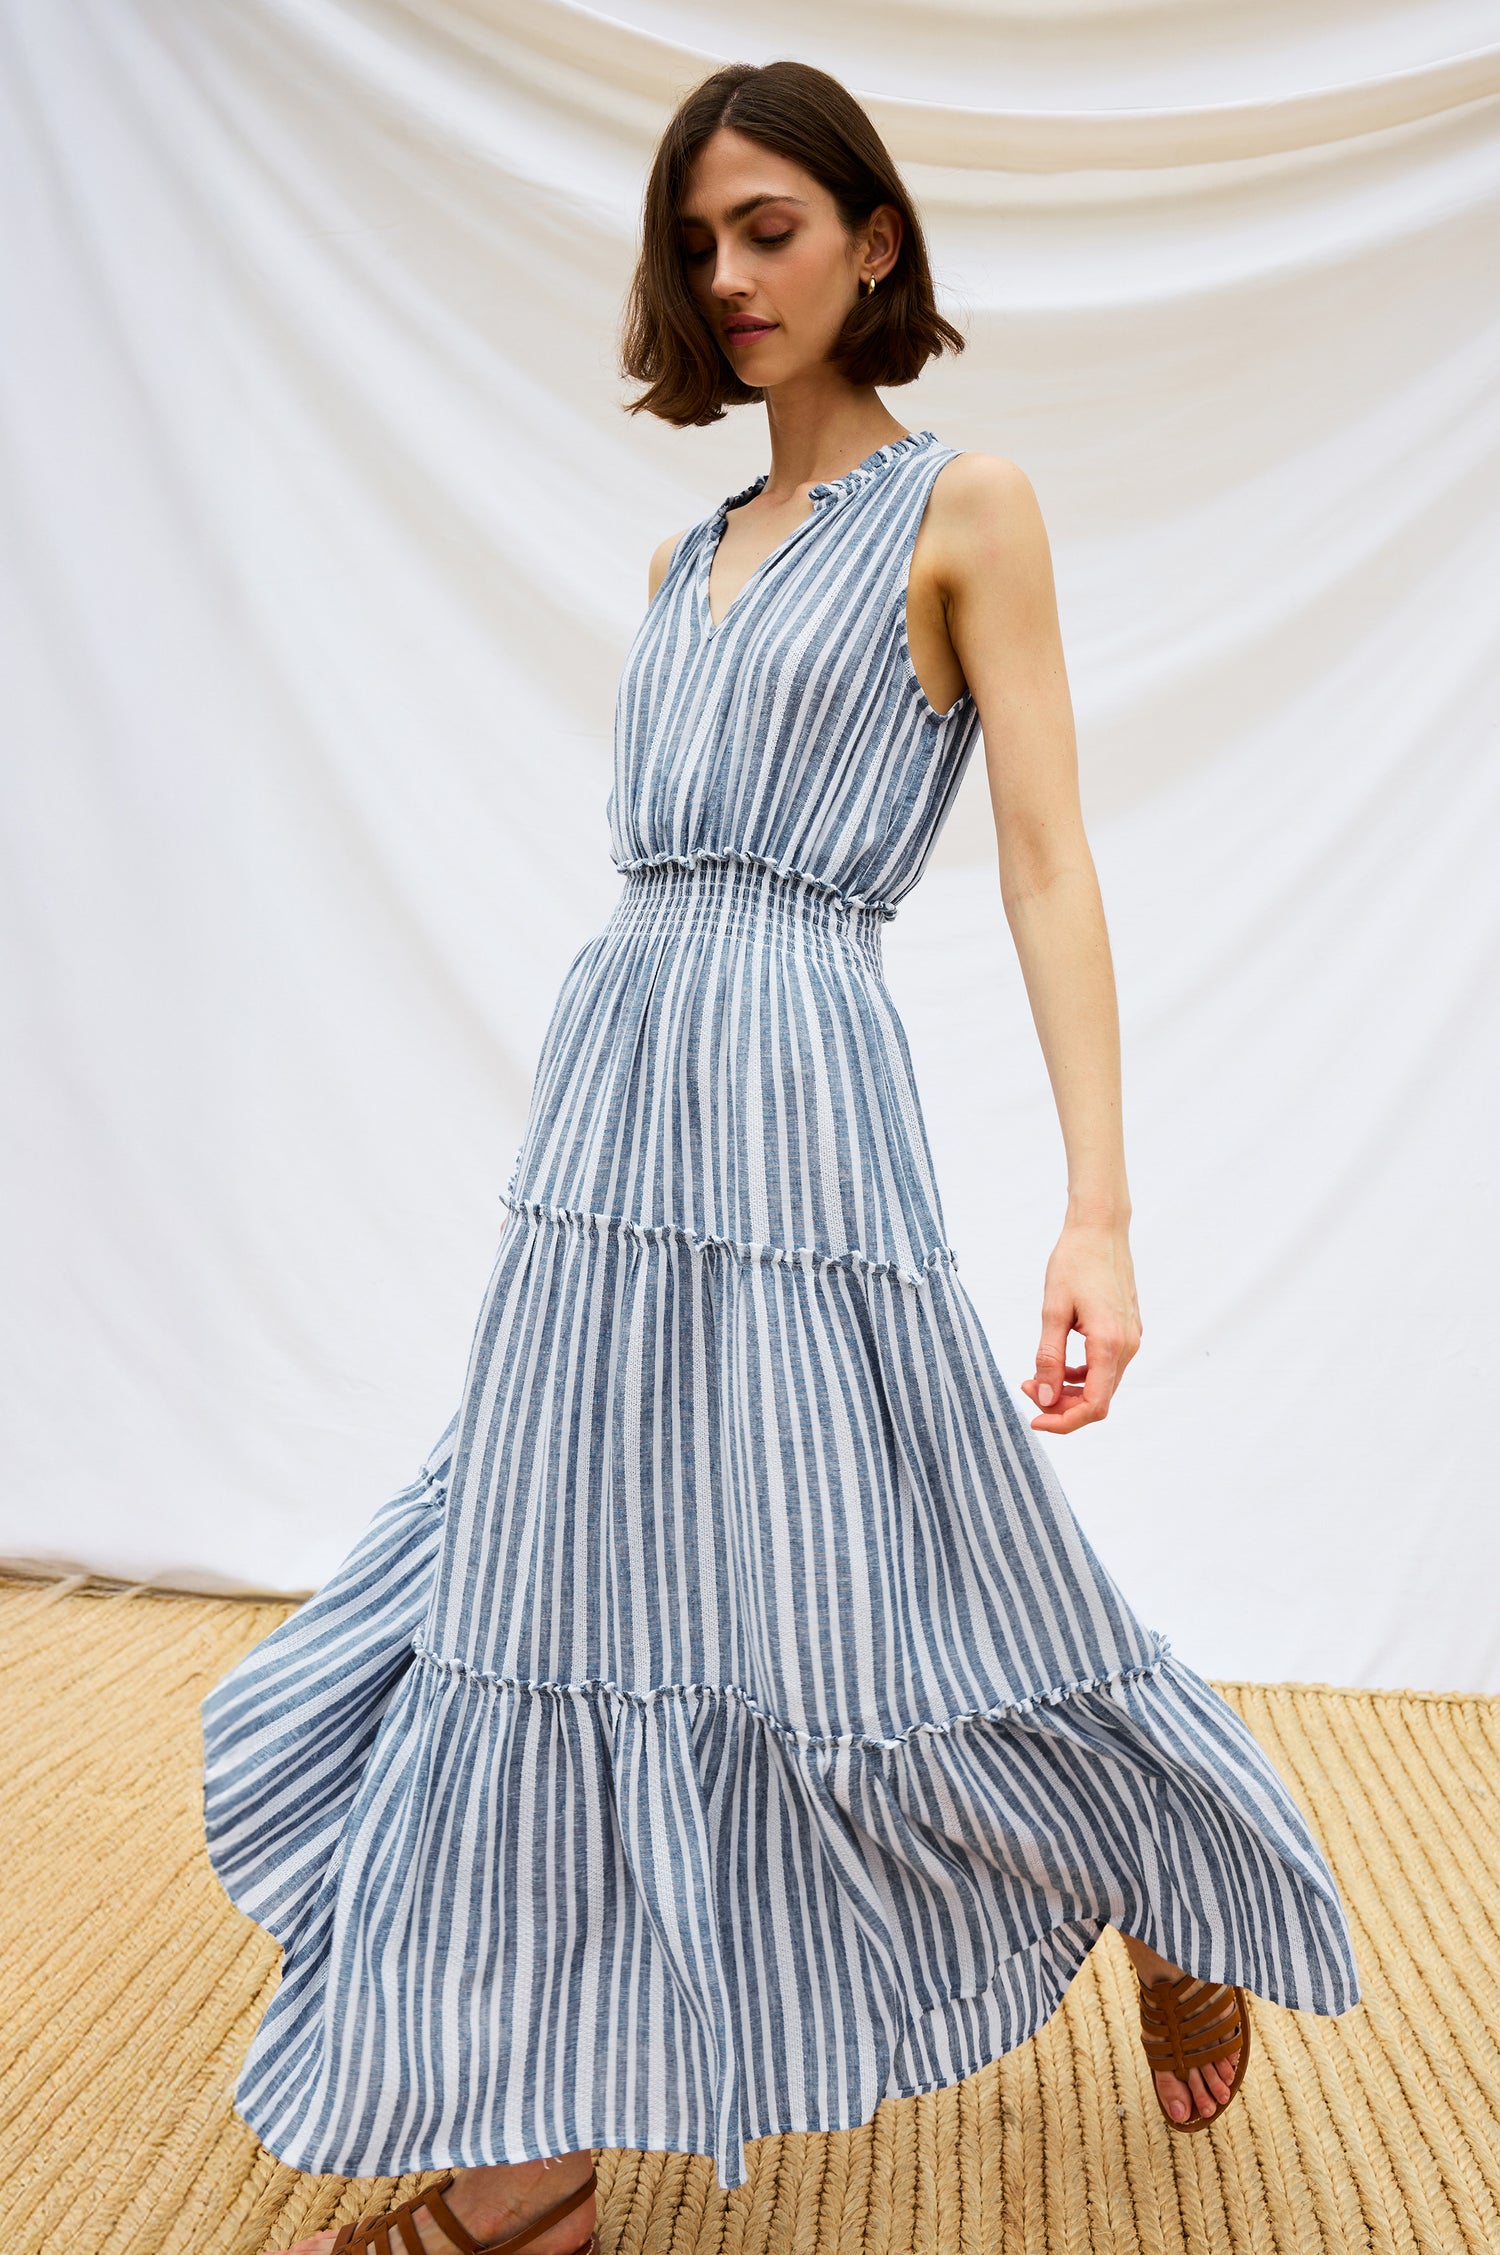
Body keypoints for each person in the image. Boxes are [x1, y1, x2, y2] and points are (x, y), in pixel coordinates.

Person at [204, 58, 1359, 2255]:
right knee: (549, 1584)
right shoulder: (675, 555)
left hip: (803, 1102)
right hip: (617, 1105)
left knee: (885, 1574)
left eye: (773, 228)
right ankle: (528, 2172)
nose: (731, 276)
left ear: (876, 241)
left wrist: (1098, 1209)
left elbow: (1041, 860)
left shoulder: (967, 509)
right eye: (703, 240)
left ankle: (1153, 1855)